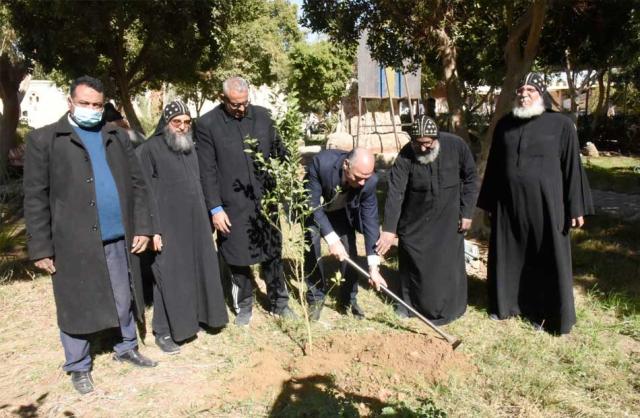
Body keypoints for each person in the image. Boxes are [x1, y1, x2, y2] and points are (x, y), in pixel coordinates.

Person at [23, 76, 158, 395]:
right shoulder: (45, 139)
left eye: (97, 105)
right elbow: (35, 197)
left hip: (118, 234)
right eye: (84, 103)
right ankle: (78, 365)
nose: (91, 110)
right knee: (75, 302)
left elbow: (138, 184)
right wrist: (41, 247)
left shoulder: (116, 135)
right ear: (70, 102)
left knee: (123, 294)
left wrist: (142, 226)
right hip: (71, 241)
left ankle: (126, 346)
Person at [477, 72, 593, 334]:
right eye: (521, 90)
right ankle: (506, 304)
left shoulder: (561, 125)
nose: (524, 94)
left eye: (530, 90)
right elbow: (494, 166)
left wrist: (576, 206)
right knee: (509, 253)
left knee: (545, 258)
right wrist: (488, 204)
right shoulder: (505, 124)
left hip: (547, 206)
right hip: (508, 205)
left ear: (541, 94)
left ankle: (543, 312)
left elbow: (572, 168)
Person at [196, 77, 295, 326]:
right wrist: (215, 208)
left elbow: (279, 150)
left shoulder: (264, 117)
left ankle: (279, 302)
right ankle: (244, 305)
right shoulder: (207, 124)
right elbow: (206, 171)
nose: (241, 108)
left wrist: (290, 167)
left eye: (245, 103)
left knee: (272, 251)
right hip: (232, 204)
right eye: (235, 104)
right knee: (236, 256)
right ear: (223, 99)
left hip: (265, 201)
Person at [136, 101, 229, 353]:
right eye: (177, 122)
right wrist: (152, 229)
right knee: (168, 275)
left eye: (187, 122)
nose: (183, 127)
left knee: (197, 269)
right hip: (167, 225)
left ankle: (197, 319)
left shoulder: (190, 147)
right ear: (166, 123)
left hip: (196, 222)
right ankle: (164, 331)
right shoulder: (149, 149)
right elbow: (143, 192)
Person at [377, 115, 478, 325]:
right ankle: (410, 306)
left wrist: (467, 212)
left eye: (427, 143)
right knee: (413, 263)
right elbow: (396, 192)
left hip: (448, 220)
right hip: (415, 221)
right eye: (418, 143)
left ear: (436, 138)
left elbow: (470, 177)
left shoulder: (456, 146)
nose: (423, 148)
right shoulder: (406, 155)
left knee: (446, 266)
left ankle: (450, 308)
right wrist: (389, 229)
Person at [304, 147, 387, 321]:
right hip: (315, 209)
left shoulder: (369, 181)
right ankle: (316, 297)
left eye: (366, 177)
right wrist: (332, 240)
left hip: (341, 211)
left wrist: (373, 266)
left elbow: (370, 222)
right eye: (358, 177)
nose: (363, 183)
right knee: (311, 243)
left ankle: (348, 298)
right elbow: (312, 204)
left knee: (349, 247)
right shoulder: (321, 164)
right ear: (346, 165)